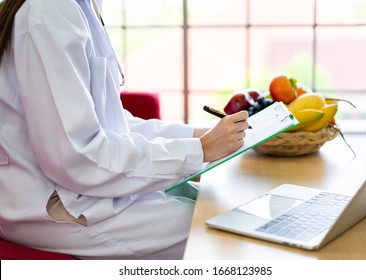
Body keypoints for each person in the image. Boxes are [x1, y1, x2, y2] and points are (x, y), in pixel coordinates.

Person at [0, 0, 249, 259]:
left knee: (225, 206)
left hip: (86, 189)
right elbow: (76, 156)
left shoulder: (81, 6)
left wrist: (195, 136)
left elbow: (111, 123)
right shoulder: (50, 11)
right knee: (225, 227)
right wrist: (198, 150)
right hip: (56, 205)